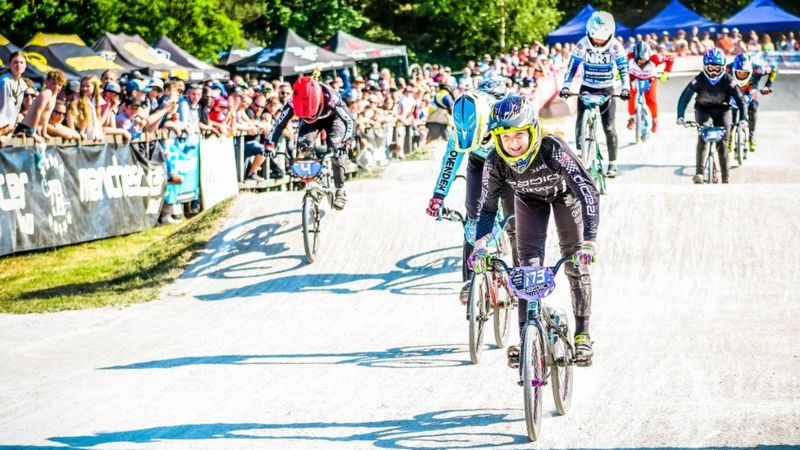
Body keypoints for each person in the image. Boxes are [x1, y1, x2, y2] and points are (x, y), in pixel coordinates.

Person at [467, 94, 599, 366]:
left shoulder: (553, 149)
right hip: (528, 201)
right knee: (526, 272)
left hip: (566, 198)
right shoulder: (495, 161)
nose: (513, 143)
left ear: (532, 130)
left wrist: (589, 240)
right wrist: (480, 244)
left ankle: (582, 334)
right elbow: (488, 208)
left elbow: (588, 191)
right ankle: (527, 337)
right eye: (505, 138)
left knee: (575, 263)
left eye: (519, 135)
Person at [425, 79, 517, 305]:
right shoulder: (462, 126)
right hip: (478, 162)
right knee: (472, 221)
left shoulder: (506, 119)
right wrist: (438, 195)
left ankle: (519, 274)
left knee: (516, 220)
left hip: (508, 163)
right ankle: (469, 281)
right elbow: (450, 163)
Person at [266, 75, 355, 210]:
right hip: (309, 124)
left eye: (311, 115)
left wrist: (346, 142)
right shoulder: (292, 102)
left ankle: (340, 189)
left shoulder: (331, 98)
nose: (311, 117)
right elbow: (279, 124)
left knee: (337, 150)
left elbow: (350, 120)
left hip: (333, 120)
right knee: (303, 146)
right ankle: (314, 176)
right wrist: (270, 144)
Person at [560, 11, 630, 178]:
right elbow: (572, 66)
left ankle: (613, 163)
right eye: (594, 38)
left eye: (602, 38)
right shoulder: (582, 44)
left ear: (610, 35)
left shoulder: (615, 46)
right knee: (579, 120)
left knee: (609, 127)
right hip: (587, 86)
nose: (597, 42)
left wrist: (626, 88)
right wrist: (566, 86)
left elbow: (624, 69)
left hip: (607, 88)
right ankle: (579, 156)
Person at [676, 48, 747, 184]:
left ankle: (726, 179)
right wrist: (680, 115)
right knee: (703, 138)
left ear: (723, 67)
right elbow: (685, 97)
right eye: (711, 68)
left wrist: (744, 118)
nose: (714, 72)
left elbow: (741, 100)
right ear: (705, 67)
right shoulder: (699, 79)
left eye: (717, 68)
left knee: (723, 144)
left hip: (723, 111)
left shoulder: (728, 80)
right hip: (703, 110)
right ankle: (699, 173)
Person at [725, 53, 777, 151]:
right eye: (739, 72)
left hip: (751, 92)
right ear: (733, 70)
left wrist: (768, 85)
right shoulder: (727, 69)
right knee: (731, 113)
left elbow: (773, 69)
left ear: (750, 70)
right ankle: (729, 137)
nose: (741, 75)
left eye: (745, 73)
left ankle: (751, 136)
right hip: (735, 92)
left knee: (753, 108)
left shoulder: (758, 69)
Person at [626, 40, 674, 133]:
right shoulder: (629, 57)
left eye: (644, 60)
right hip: (633, 78)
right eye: (639, 60)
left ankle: (655, 120)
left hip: (650, 79)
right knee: (629, 97)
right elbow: (619, 62)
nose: (641, 63)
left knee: (651, 100)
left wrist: (666, 72)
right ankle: (632, 117)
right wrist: (620, 72)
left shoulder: (656, 58)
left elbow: (671, 58)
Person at [14, 70, 67, 143]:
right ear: (46, 82)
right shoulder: (46, 93)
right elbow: (37, 113)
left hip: (34, 129)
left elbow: (47, 116)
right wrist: (33, 132)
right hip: (26, 129)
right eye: (54, 83)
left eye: (60, 85)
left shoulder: (53, 96)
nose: (57, 87)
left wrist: (44, 133)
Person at [0, 51, 28, 137]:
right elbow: (2, 109)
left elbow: (16, 109)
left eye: (21, 62)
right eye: (15, 62)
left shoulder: (23, 84)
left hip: (9, 125)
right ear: (9, 64)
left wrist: (13, 128)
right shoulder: (5, 82)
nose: (19, 65)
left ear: (25, 65)